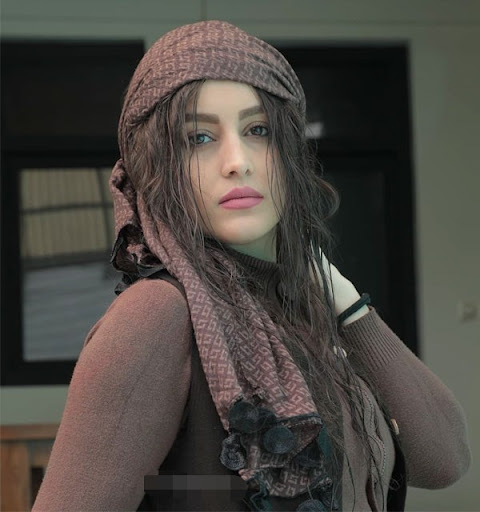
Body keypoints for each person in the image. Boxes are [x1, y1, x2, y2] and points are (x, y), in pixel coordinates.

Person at [32, 20, 470, 512]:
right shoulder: (157, 316)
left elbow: (445, 461)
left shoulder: (303, 311)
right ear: (158, 166)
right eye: (199, 137)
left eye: (258, 130)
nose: (237, 161)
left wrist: (346, 304)